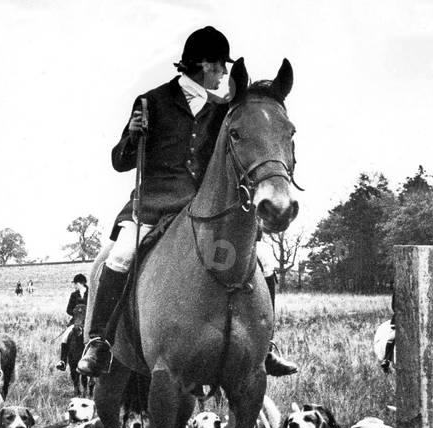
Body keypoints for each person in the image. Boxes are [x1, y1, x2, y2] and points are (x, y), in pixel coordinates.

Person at [77, 26, 297, 377]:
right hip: (152, 204)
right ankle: (99, 342)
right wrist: (133, 137)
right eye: (220, 67)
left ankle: (265, 346)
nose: (224, 73)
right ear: (204, 65)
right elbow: (121, 161)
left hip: (203, 210)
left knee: (266, 260)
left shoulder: (223, 109)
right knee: (119, 256)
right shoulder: (151, 101)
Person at [55, 273, 89, 371]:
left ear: (79, 283)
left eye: (75, 284)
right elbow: (68, 310)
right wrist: (76, 313)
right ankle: (63, 361)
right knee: (65, 336)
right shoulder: (74, 295)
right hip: (76, 321)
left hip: (88, 322)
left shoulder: (91, 293)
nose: (74, 286)